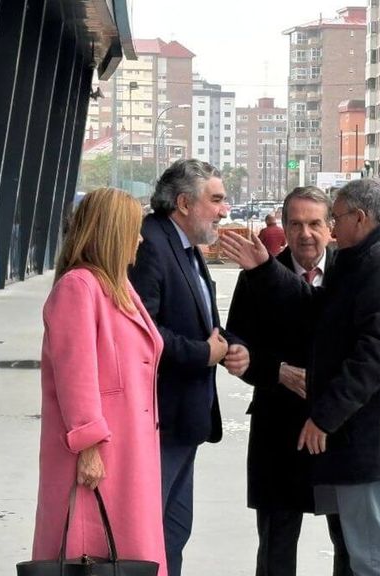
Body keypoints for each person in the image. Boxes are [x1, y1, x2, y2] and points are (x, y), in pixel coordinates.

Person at [220, 178, 380, 576]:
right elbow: (314, 308)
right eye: (295, 224)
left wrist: (324, 416)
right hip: (313, 434)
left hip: (365, 438)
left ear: (358, 218)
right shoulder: (376, 257)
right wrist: (264, 271)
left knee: (372, 556)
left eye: (332, 219)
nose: (328, 231)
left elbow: (376, 355)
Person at [33, 188, 167, 574]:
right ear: (111, 232)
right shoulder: (79, 287)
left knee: (130, 553)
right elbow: (75, 373)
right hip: (98, 458)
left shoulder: (118, 286)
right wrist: (88, 445)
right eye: (133, 229)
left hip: (129, 449)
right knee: (94, 556)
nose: (140, 239)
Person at [129, 159, 250, 576]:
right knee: (149, 536)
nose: (225, 209)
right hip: (160, 419)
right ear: (184, 202)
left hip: (186, 419)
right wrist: (204, 353)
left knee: (174, 531)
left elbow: (202, 321)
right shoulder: (151, 244)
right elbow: (142, 332)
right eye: (216, 200)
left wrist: (232, 346)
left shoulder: (184, 247)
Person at [226, 186, 352, 576]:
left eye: (314, 223)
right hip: (277, 428)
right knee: (277, 545)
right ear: (282, 226)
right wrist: (275, 370)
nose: (305, 234)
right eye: (295, 224)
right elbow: (235, 347)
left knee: (350, 543)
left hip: (339, 429)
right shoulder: (256, 274)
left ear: (331, 227)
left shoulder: (353, 274)